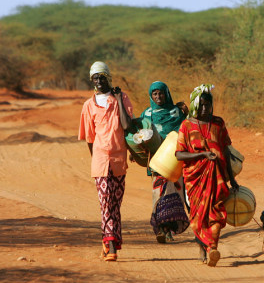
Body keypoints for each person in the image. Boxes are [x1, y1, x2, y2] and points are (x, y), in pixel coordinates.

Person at [175, 84, 239, 267]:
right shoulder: (187, 125)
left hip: (218, 177)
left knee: (216, 213)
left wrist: (232, 178)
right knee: (198, 216)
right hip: (194, 179)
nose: (205, 108)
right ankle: (203, 249)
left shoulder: (218, 123)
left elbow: (226, 149)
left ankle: (212, 249)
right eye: (201, 105)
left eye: (208, 104)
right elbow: (179, 154)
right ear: (195, 105)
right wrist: (202, 155)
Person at [79, 61, 133, 262]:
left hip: (119, 159)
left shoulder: (122, 98)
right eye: (95, 78)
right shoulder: (88, 105)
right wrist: (97, 160)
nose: (99, 81)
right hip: (100, 161)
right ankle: (111, 246)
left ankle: (109, 240)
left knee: (115, 204)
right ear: (92, 80)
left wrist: (118, 99)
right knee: (106, 204)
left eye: (102, 77)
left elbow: (127, 126)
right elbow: (90, 139)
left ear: (108, 78)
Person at [140, 81, 189, 243]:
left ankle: (170, 230)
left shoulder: (176, 112)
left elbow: (185, 130)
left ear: (166, 94)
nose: (158, 96)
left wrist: (187, 114)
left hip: (175, 161)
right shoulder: (146, 114)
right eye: (155, 94)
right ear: (151, 96)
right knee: (159, 195)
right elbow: (139, 134)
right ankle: (161, 229)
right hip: (157, 162)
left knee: (176, 194)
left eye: (161, 93)